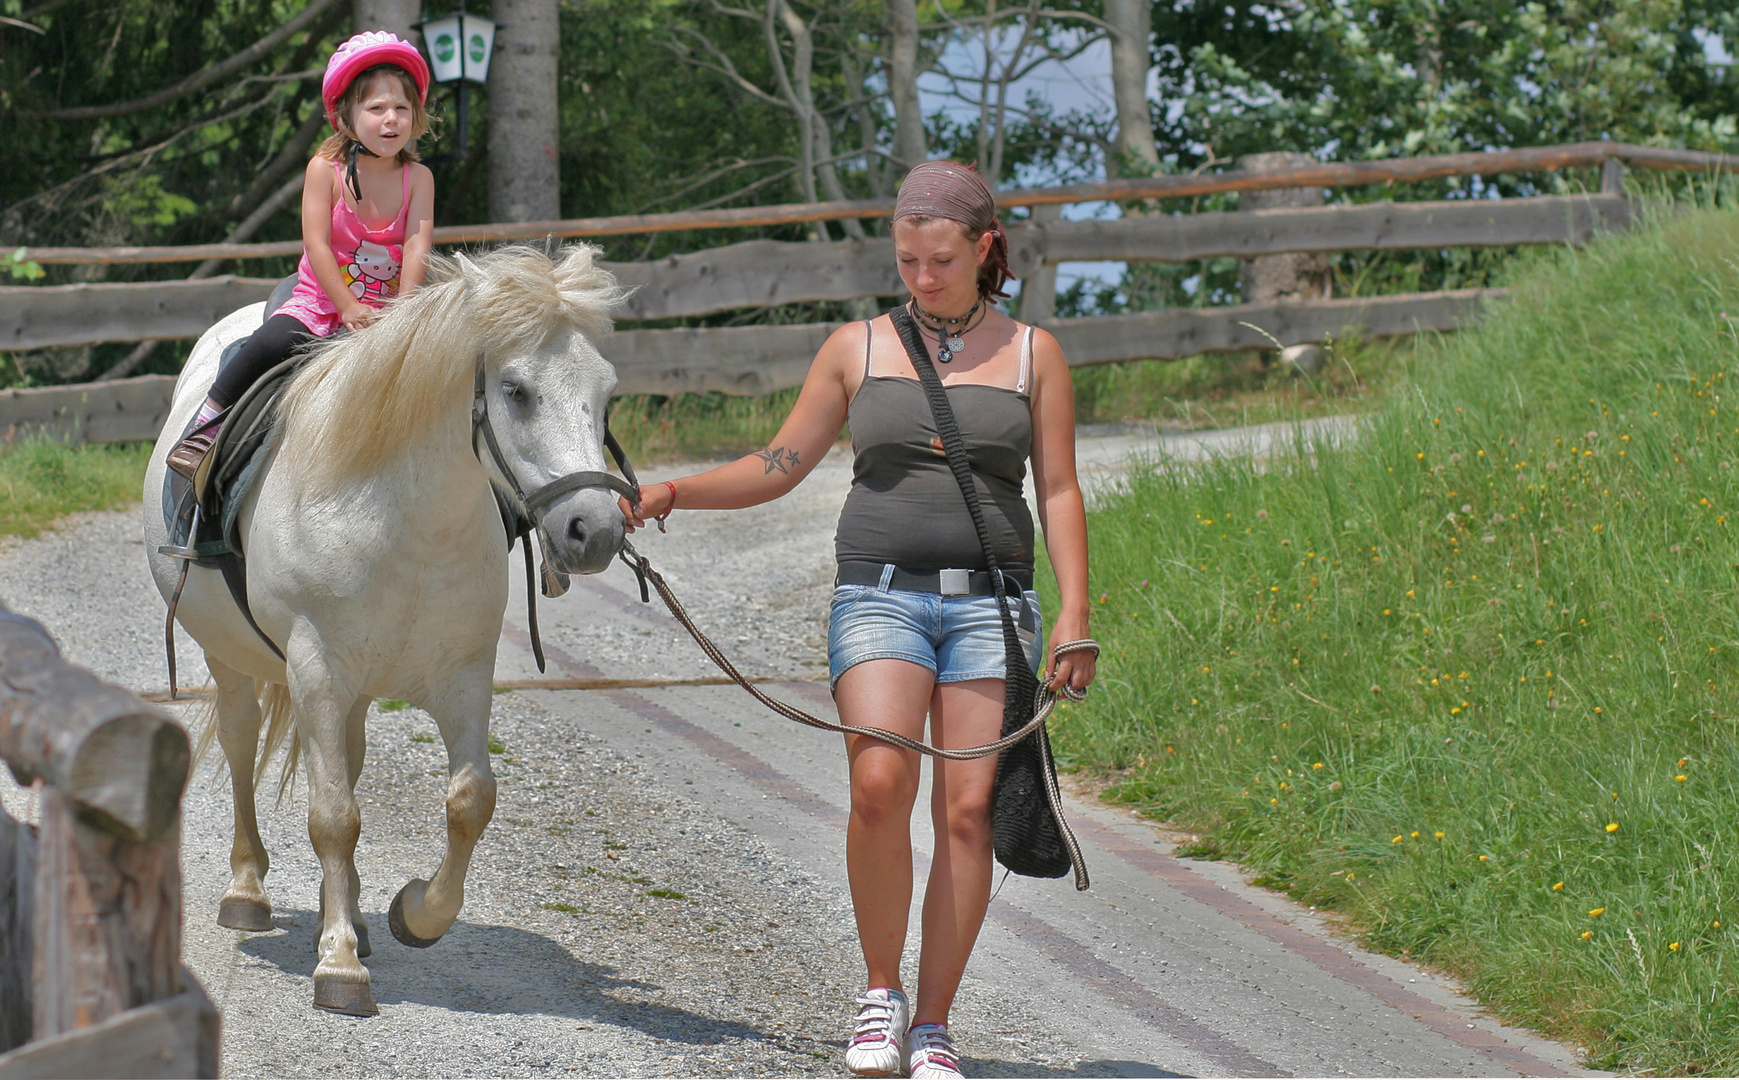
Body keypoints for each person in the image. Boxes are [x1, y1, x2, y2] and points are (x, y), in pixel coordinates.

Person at [621, 160, 1096, 1080]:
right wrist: (675, 491)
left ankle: (933, 1026)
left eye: (941, 261)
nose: (921, 279)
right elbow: (779, 461)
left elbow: (1062, 488)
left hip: (991, 607)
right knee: (880, 784)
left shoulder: (1035, 354)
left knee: (965, 813)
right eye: (907, 260)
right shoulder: (857, 347)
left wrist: (1074, 613)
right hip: (877, 593)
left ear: (984, 248)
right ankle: (879, 997)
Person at [166, 31, 435, 480]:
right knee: (271, 342)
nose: (392, 119)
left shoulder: (419, 177)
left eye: (401, 108)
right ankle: (206, 426)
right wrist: (347, 305)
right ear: (347, 116)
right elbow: (317, 244)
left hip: (393, 307)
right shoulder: (323, 171)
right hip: (324, 300)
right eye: (377, 109)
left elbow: (416, 244)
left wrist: (405, 309)